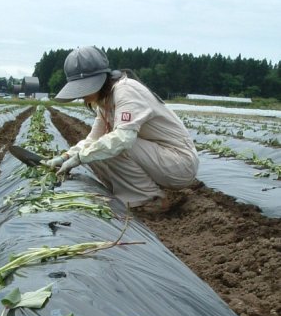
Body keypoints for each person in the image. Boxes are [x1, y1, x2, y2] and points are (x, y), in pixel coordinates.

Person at [43, 46, 199, 212]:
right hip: (161, 160)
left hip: (180, 163)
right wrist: (66, 156)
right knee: (97, 149)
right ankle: (130, 194)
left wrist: (81, 157)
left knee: (113, 145)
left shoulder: (126, 90)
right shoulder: (104, 102)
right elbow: (92, 140)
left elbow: (123, 139)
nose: (82, 95)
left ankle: (150, 199)